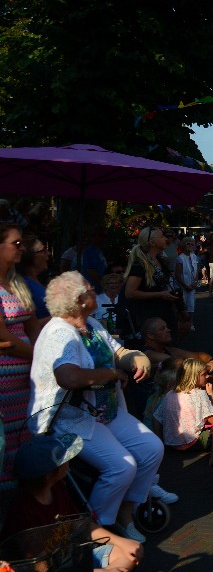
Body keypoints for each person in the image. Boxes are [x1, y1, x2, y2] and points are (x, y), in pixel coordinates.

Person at [28, 271, 159, 543]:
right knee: (121, 466)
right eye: (90, 288)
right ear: (79, 300)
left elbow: (118, 352)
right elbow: (69, 377)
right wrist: (111, 374)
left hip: (104, 413)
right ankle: (100, 529)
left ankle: (126, 512)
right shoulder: (59, 333)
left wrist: (137, 357)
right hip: (70, 418)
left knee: (151, 448)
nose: (95, 289)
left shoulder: (92, 325)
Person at [0, 433, 142, 570]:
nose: (69, 462)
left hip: (70, 556)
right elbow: (40, 567)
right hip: (49, 566)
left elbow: (81, 525)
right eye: (64, 460)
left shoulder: (58, 488)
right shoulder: (23, 510)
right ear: (49, 475)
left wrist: (122, 542)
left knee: (130, 553)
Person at [0, 224, 41, 490]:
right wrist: (41, 357)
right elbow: (4, 340)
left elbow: (33, 327)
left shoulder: (17, 283)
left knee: (24, 437)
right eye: (16, 243)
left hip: (27, 381)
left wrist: (43, 354)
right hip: (4, 385)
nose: (22, 248)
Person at [123, 226, 179, 342]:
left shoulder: (160, 261)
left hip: (164, 313)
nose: (166, 239)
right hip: (150, 318)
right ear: (152, 242)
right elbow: (130, 292)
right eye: (162, 236)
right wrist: (160, 294)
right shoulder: (140, 264)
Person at [152, 358, 213, 451]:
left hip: (171, 444)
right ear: (193, 377)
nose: (207, 376)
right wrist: (211, 395)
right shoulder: (200, 394)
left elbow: (156, 417)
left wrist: (160, 441)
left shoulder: (170, 394)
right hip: (193, 443)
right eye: (204, 374)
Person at [16, 234, 51, 320]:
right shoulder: (23, 285)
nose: (48, 253)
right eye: (43, 250)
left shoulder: (35, 282)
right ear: (31, 257)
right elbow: (31, 325)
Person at [174, 235, 200, 332]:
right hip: (182, 286)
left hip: (191, 286)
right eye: (188, 244)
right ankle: (180, 323)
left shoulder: (194, 257)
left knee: (191, 306)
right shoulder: (180, 258)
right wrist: (185, 285)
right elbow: (178, 274)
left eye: (192, 244)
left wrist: (195, 282)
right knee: (182, 306)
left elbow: (196, 271)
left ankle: (190, 323)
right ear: (183, 245)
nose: (190, 245)